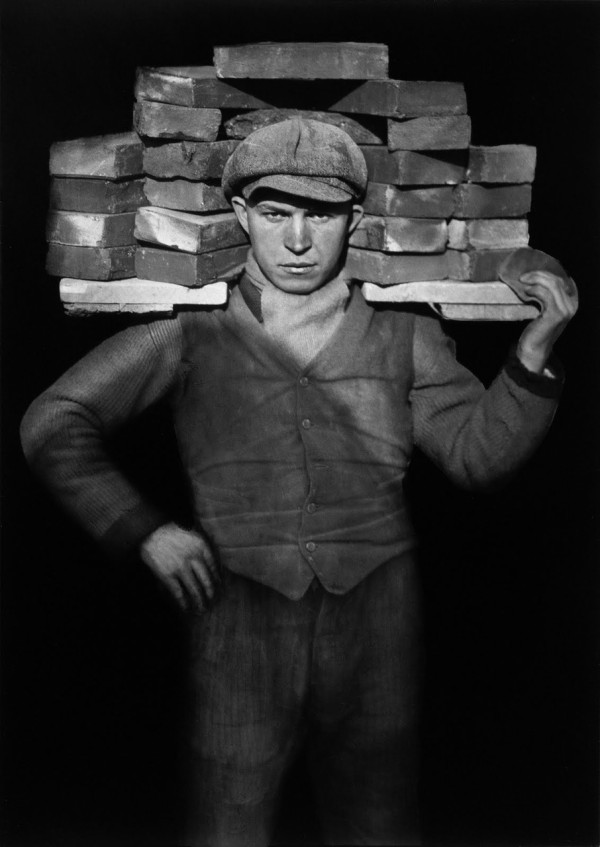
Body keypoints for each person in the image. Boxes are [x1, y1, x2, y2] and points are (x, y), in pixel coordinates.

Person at [20, 118, 577, 847]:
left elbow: (478, 458)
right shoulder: (193, 329)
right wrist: (144, 529)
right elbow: (53, 420)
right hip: (239, 616)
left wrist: (532, 356)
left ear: (355, 219)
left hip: (377, 615)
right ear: (243, 216)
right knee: (231, 819)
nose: (297, 240)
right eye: (277, 214)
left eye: (320, 214)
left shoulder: (404, 331)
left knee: (377, 822)